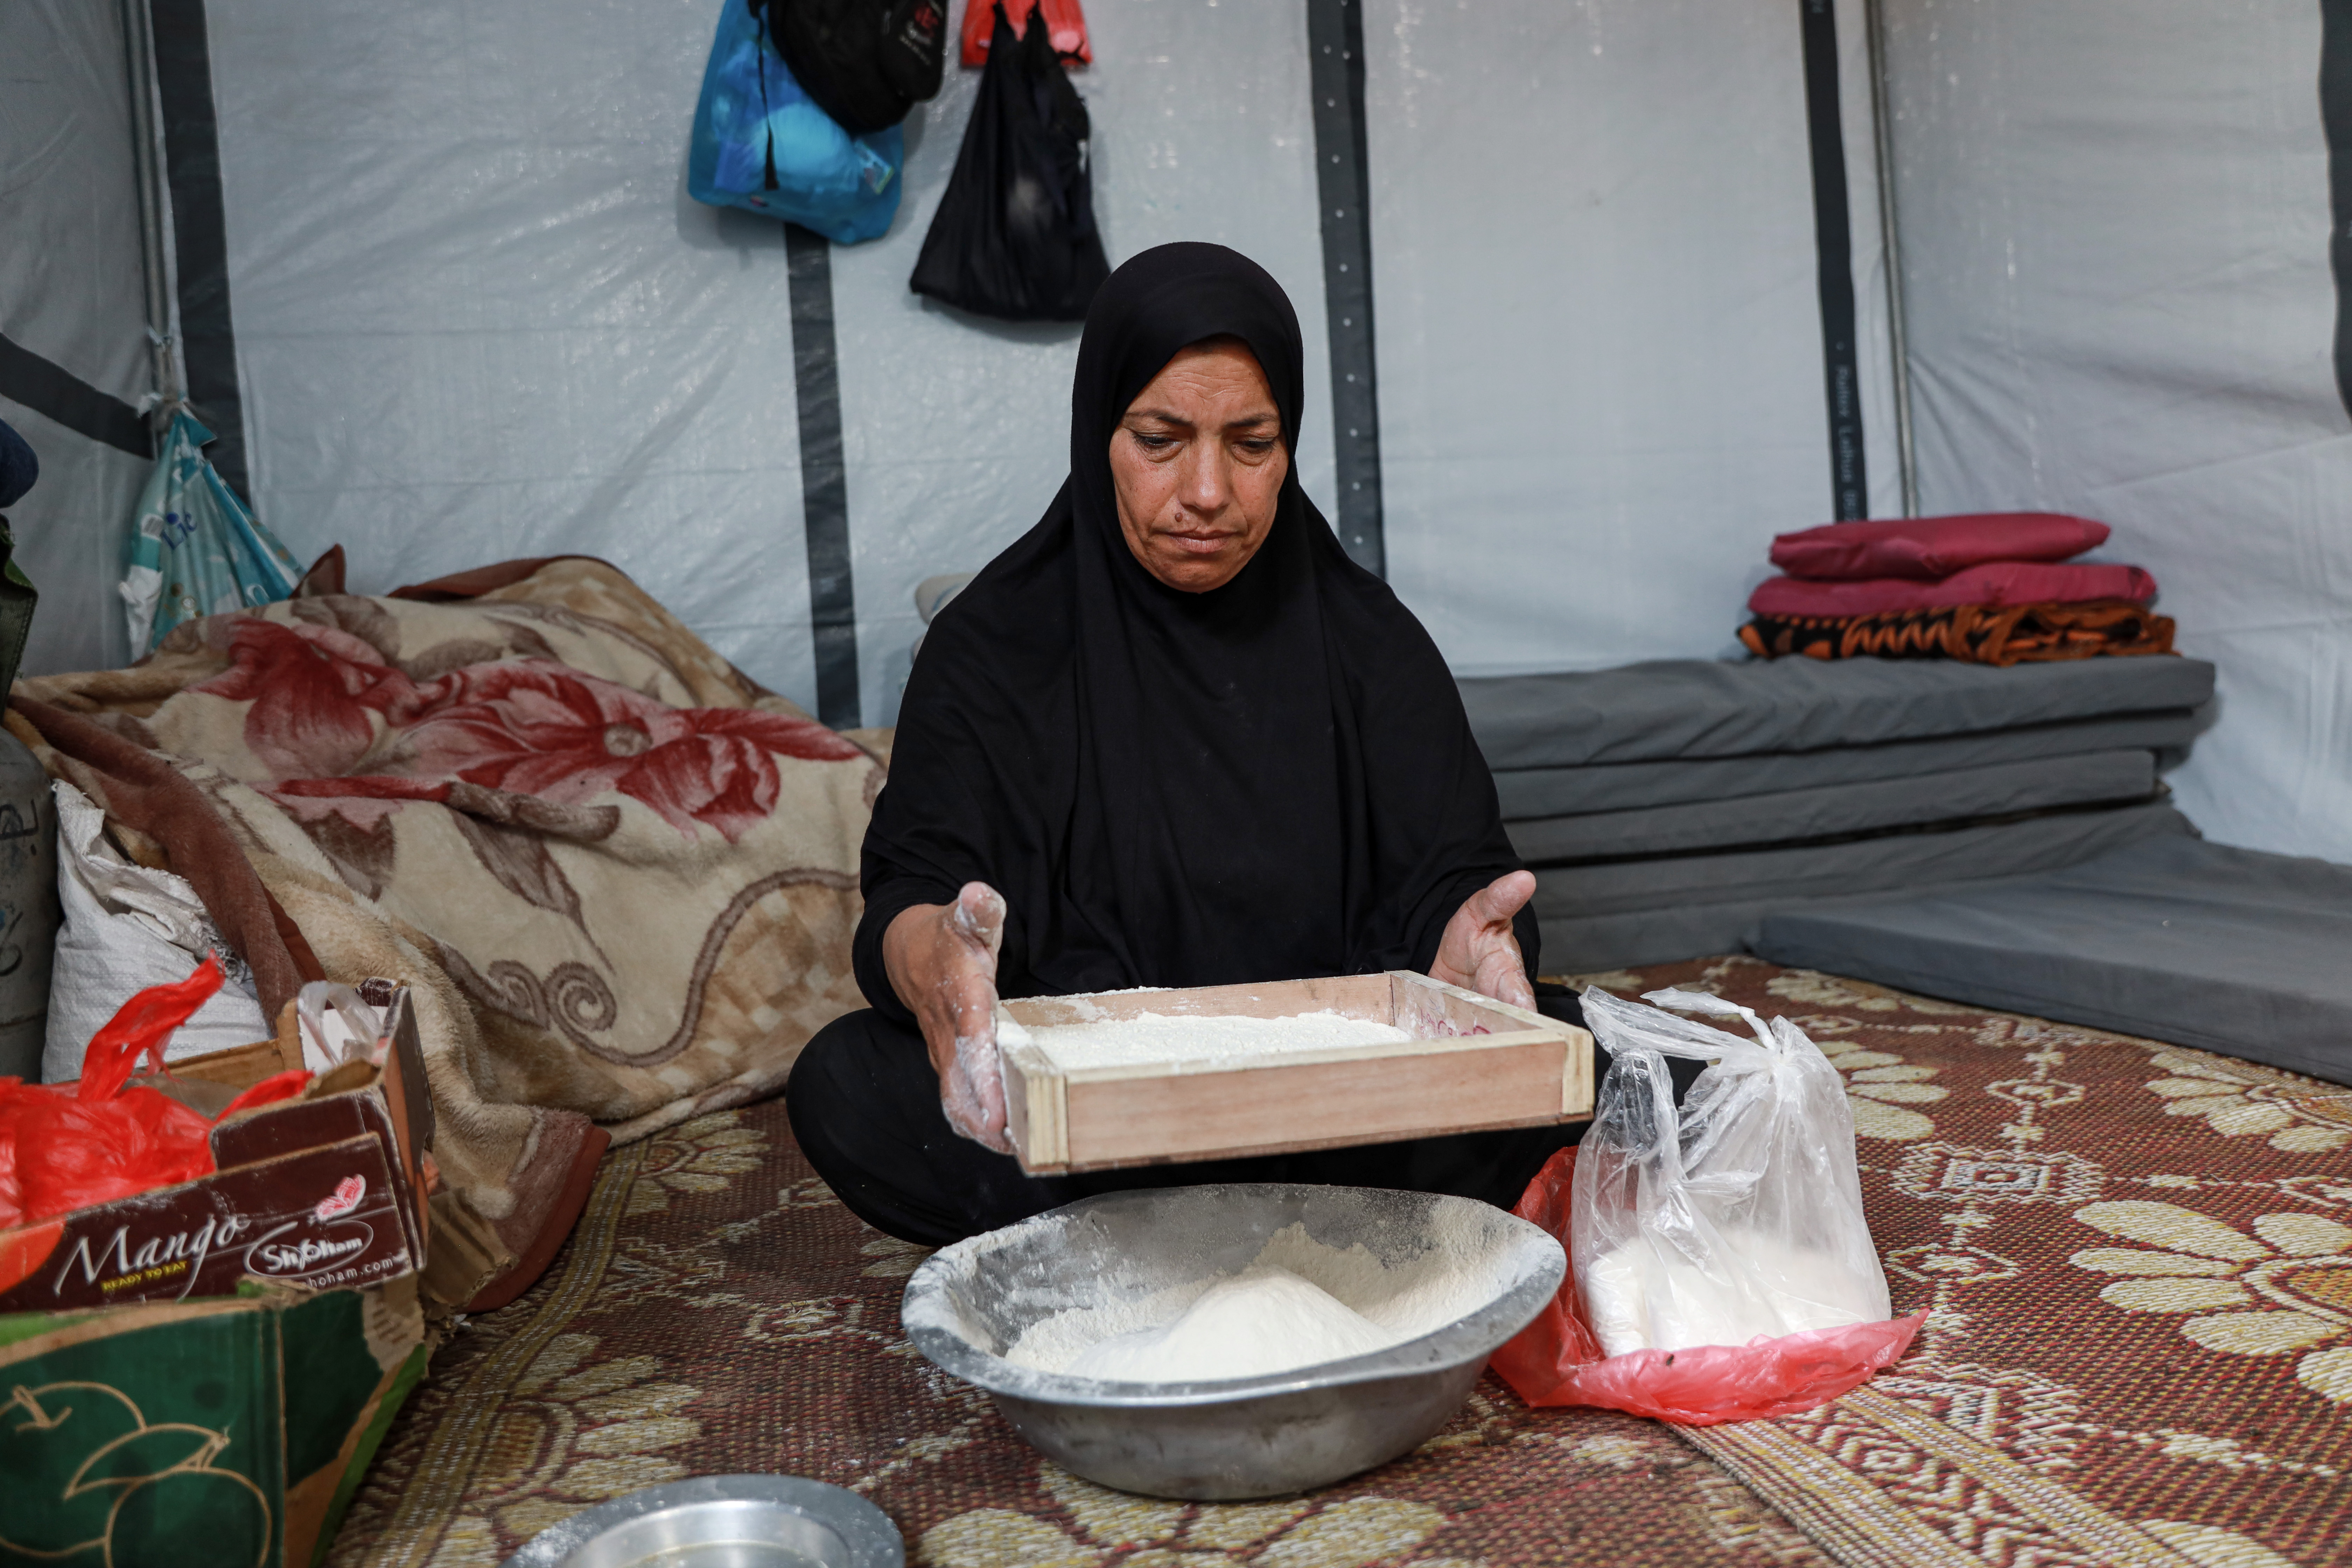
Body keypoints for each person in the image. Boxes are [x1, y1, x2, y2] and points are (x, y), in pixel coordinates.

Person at [787, 243, 1579, 1246]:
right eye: (1161, 439)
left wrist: (1469, 954)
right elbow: (915, 894)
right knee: (847, 1084)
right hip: (1100, 1119)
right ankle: (1309, 1229)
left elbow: (1457, 882)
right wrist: (938, 969)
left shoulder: (1369, 643)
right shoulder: (997, 647)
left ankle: (1165, 1238)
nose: (1208, 491)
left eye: (1251, 444)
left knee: (1598, 1051)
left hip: (1338, 1108)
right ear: (1097, 432)